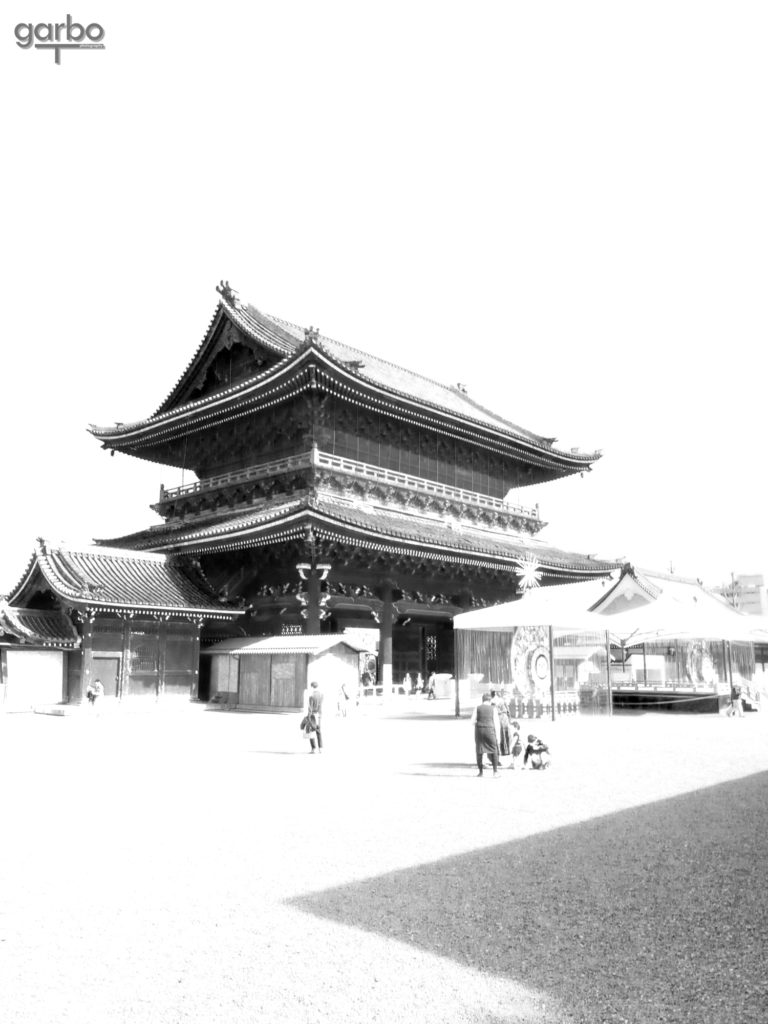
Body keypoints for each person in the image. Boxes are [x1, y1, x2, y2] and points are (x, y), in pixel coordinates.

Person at [471, 692, 500, 777]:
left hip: (479, 731)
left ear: (482, 700)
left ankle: (480, 772)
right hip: (490, 730)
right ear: (490, 700)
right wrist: (498, 737)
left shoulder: (477, 708)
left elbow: (472, 721)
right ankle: (495, 772)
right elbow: (496, 723)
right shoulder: (493, 709)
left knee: (479, 750)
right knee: (494, 750)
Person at [303, 680, 324, 752]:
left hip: (312, 715)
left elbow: (310, 707)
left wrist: (308, 716)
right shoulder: (321, 695)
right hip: (319, 714)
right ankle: (321, 748)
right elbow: (321, 705)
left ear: (312, 687)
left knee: (311, 731)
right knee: (318, 731)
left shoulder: (311, 696)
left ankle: (313, 748)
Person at [492, 686, 512, 758]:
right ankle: (506, 750)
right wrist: (509, 720)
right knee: (504, 734)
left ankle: (501, 750)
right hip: (504, 718)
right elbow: (508, 711)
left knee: (500, 734)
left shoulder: (493, 701)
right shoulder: (502, 700)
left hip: (499, 718)